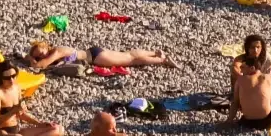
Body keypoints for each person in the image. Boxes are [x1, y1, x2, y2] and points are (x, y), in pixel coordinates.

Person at [0, 62, 63, 136]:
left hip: (15, 131)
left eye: (13, 76)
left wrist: (38, 123)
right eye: (7, 78)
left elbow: (20, 114)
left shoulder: (16, 88)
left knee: (57, 129)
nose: (12, 80)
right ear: (1, 79)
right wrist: (12, 111)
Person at [26, 42, 170, 76]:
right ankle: (155, 53)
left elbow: (40, 66)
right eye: (39, 55)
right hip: (94, 53)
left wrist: (32, 60)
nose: (42, 55)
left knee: (131, 60)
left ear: (46, 46)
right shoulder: (56, 51)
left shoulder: (56, 51)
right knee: (128, 54)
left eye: (42, 52)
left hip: (95, 57)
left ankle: (162, 60)